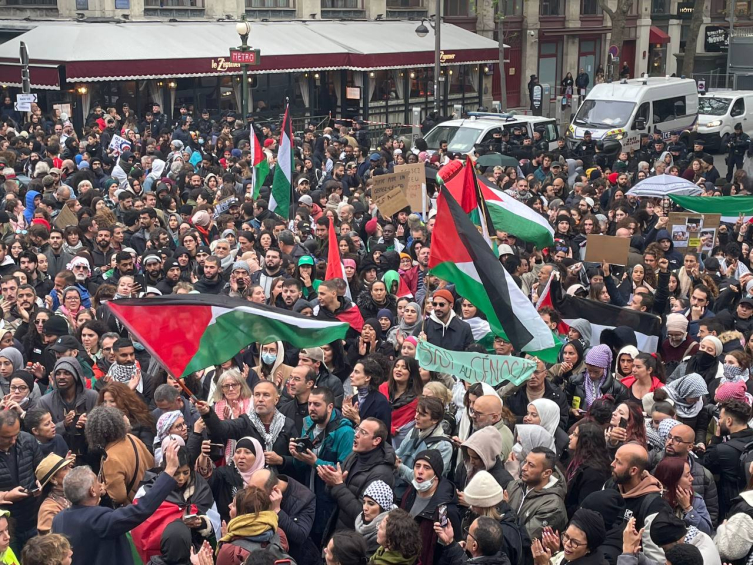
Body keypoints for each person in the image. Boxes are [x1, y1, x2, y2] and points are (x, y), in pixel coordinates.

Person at [51, 440, 181, 565]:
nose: (100, 484)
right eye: (96, 481)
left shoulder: (58, 519)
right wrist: (169, 472)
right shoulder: (99, 520)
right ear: (92, 491)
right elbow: (140, 509)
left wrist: (105, 498)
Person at [288, 386, 355, 545]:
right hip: (309, 495)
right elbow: (301, 467)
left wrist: (315, 461)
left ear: (330, 407)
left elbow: (344, 470)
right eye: (310, 404)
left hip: (330, 500)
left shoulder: (345, 432)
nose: (311, 408)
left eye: (317, 404)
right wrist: (297, 456)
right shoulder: (308, 425)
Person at [130, 443, 218, 563]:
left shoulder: (201, 488)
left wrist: (202, 523)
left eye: (185, 472)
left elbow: (215, 520)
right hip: (161, 555)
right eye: (176, 473)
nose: (181, 478)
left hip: (195, 554)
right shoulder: (150, 489)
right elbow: (138, 524)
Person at [317, 417, 396, 535]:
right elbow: (333, 495)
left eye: (363, 432)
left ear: (376, 441)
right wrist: (330, 483)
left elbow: (364, 515)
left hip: (356, 539)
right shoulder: (354, 456)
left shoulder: (382, 474)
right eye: (357, 429)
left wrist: (338, 486)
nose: (356, 435)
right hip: (338, 529)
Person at [197, 380, 297, 473]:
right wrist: (207, 413)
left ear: (276, 400)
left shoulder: (287, 425)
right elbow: (220, 429)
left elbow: (299, 461)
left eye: (266, 395)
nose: (260, 399)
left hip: (280, 483)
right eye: (257, 395)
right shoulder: (245, 422)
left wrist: (281, 460)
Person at [399, 449, 461, 565]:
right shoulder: (410, 493)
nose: (420, 471)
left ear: (436, 475)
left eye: (427, 468)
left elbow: (450, 549)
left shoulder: (445, 509)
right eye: (417, 466)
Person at [609, 443, 671, 561]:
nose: (612, 465)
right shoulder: (611, 485)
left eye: (618, 462)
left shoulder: (653, 505)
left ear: (633, 471)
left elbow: (655, 559)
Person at [84, 405, 154, 507]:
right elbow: (151, 462)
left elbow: (118, 497)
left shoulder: (111, 459)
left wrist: (104, 488)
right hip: (151, 498)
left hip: (136, 509)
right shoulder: (132, 438)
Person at [247, 468, 319, 565]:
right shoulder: (261, 488)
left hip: (294, 556)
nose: (252, 494)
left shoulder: (305, 498)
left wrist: (277, 511)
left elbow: (300, 535)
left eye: (257, 491)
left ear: (275, 490)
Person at [0, 409, 42, 554]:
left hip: (32, 518)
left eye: (16, 435)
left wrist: (41, 481)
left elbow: (40, 468)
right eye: (6, 437)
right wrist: (5, 497)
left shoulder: (27, 440)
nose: (13, 441)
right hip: (6, 528)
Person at [196, 435, 265, 523]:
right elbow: (204, 481)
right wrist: (203, 458)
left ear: (258, 456)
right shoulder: (224, 475)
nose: (241, 456)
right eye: (238, 452)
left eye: (247, 452)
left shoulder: (265, 477)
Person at [215, 485, 290, 565]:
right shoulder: (278, 534)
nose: (229, 506)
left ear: (243, 514)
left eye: (234, 505)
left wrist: (226, 543)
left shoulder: (230, 551)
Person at [703, 398, 753, 518]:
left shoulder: (722, 450)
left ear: (729, 421)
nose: (719, 421)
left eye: (720, 418)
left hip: (733, 506)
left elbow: (705, 464)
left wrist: (716, 439)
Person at [506, 447, 567, 541]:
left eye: (531, 465)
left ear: (546, 473)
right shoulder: (515, 486)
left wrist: (505, 509)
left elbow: (523, 538)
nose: (523, 468)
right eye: (525, 462)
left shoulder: (552, 506)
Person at [395, 396, 454, 492]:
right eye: (416, 412)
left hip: (421, 494)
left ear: (435, 420)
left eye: (422, 415)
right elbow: (399, 453)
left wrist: (400, 467)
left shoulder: (444, 446)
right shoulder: (413, 431)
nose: (416, 417)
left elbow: (428, 480)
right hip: (400, 487)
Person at [652, 456, 712, 534]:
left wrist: (688, 509)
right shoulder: (654, 500)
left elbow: (707, 531)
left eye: (690, 473)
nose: (692, 478)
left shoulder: (695, 499)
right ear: (672, 479)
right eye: (687, 476)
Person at [565, 421, 611, 519]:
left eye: (575, 435)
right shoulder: (576, 459)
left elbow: (584, 505)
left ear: (586, 441)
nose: (570, 437)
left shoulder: (594, 472)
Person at [531, 508, 608, 565]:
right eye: (566, 536)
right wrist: (554, 552)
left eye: (575, 542)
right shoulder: (573, 557)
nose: (567, 543)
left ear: (590, 548)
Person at [433, 515, 509, 565]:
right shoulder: (503, 560)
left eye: (468, 533)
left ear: (474, 545)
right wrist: (450, 543)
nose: (466, 536)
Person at [35, 452, 74, 535]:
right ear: (53, 479)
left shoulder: (74, 495)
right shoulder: (48, 509)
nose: (71, 471)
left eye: (70, 467)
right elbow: (49, 543)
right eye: (65, 469)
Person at [355, 479, 396, 556]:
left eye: (371, 504)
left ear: (383, 507)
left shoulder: (386, 534)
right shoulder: (360, 522)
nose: (365, 508)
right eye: (364, 502)